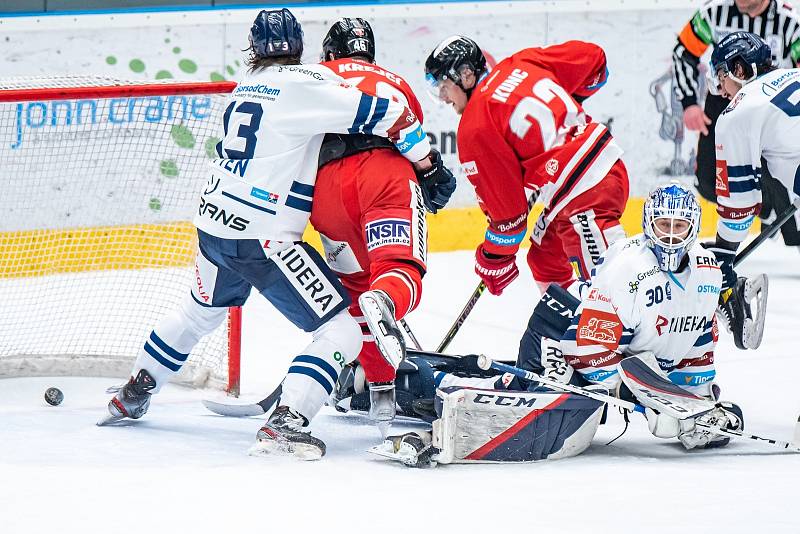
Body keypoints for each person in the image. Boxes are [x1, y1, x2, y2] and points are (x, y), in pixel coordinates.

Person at [99, 8, 434, 461]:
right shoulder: (308, 83)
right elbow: (388, 112)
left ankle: (135, 389)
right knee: (341, 329)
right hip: (263, 237)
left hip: (213, 227)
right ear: (300, 46)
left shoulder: (243, 90)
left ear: (253, 49)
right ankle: (286, 422)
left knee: (199, 314)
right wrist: (427, 165)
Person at [372, 184, 746, 466]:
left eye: (679, 226)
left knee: (555, 404)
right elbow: (587, 350)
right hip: (564, 332)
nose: (669, 234)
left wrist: (693, 406)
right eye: (663, 223)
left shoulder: (708, 273)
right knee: (513, 397)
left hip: (615, 352)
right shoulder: (628, 270)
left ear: (694, 227)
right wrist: (639, 398)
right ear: (648, 223)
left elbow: (697, 341)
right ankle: (399, 379)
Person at [312, 17, 456, 432]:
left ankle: (380, 392)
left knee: (357, 289)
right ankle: (388, 301)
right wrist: (431, 172)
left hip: (325, 189)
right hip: (384, 176)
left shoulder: (312, 77)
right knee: (397, 270)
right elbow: (409, 138)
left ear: (331, 51)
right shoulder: (395, 80)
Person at [424, 36, 629, 297]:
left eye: (444, 86)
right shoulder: (520, 62)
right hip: (599, 167)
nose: (442, 98)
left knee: (613, 293)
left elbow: (510, 220)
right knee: (545, 262)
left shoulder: (474, 125)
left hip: (583, 193)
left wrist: (493, 257)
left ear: (466, 75)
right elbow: (596, 61)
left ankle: (641, 327)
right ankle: (565, 327)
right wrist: (565, 109)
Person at [672, 0, 800, 247]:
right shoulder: (713, 12)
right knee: (711, 183)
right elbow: (683, 52)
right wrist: (689, 102)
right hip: (731, 101)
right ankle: (766, 209)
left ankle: (788, 228)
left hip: (775, 106)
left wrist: (725, 248)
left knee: (776, 165)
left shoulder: (790, 22)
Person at [706, 31, 787, 347]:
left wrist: (723, 258)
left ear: (739, 70)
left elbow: (739, 206)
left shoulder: (740, 111)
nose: (721, 90)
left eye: (722, 76)